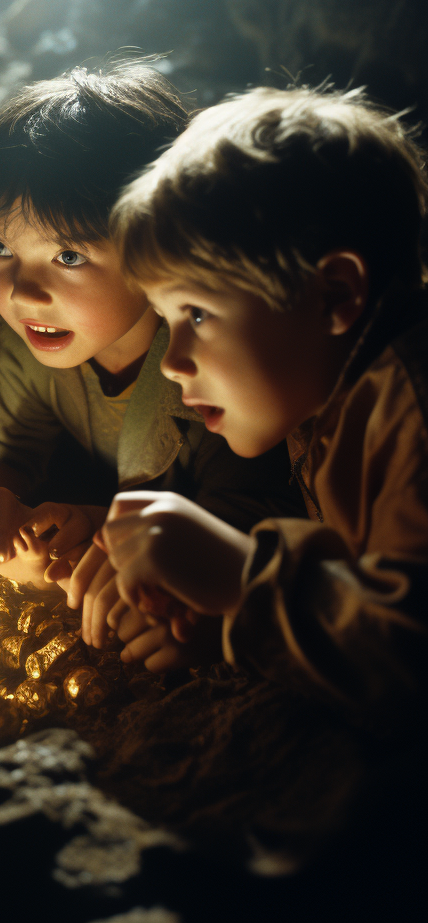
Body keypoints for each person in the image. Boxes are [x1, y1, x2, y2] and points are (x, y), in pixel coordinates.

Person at [0, 59, 304, 668]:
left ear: (155, 245)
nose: (23, 290)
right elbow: (1, 447)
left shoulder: (206, 368)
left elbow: (251, 518)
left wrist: (107, 536)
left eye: (69, 255)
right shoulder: (28, 333)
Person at [98, 84, 428, 709]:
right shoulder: (325, 408)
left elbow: (409, 654)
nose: (170, 364)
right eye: (167, 321)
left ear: (333, 295)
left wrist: (245, 580)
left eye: (196, 314)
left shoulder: (411, 400)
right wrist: (234, 630)